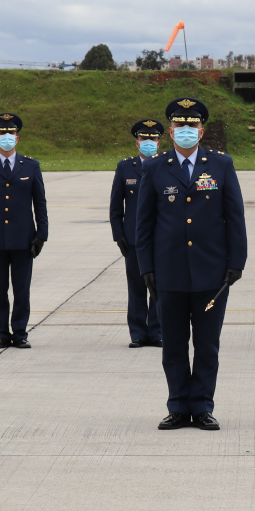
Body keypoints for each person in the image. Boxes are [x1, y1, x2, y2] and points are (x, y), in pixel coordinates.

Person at [136, 98, 247, 431]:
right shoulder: (155, 167)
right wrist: (146, 267)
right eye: (180, 126)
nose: (187, 131)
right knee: (172, 345)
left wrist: (236, 262)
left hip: (211, 272)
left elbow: (235, 217)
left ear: (202, 130)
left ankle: (201, 406)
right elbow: (144, 223)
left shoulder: (221, 165)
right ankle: (177, 406)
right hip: (168, 272)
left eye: (193, 126)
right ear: (170, 131)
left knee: (207, 345)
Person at [0, 113, 47, 349]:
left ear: (18, 137)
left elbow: (40, 203)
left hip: (24, 239)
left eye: (11, 134)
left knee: (21, 290)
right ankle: (1, 333)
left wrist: (41, 235)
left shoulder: (31, 166)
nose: (7, 138)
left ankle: (20, 332)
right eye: (2, 134)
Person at [110, 119, 163, 348]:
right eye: (144, 139)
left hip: (161, 239)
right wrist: (118, 234)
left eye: (152, 139)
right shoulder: (125, 168)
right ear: (136, 142)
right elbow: (115, 206)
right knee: (137, 287)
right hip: (133, 240)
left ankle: (158, 332)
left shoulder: (166, 165)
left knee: (160, 287)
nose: (148, 142)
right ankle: (138, 333)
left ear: (159, 142)